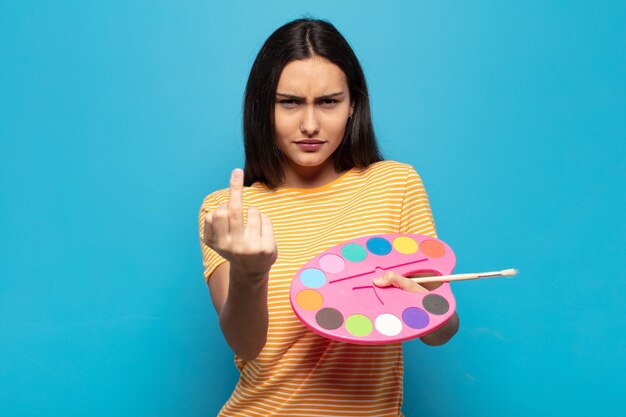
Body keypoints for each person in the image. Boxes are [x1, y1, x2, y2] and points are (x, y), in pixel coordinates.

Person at [198, 18, 459, 417]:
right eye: (289, 102)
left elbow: (442, 331)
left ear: (353, 104)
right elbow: (245, 345)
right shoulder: (227, 211)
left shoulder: (396, 184)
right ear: (262, 108)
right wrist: (251, 271)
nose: (309, 124)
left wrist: (422, 304)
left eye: (328, 101)